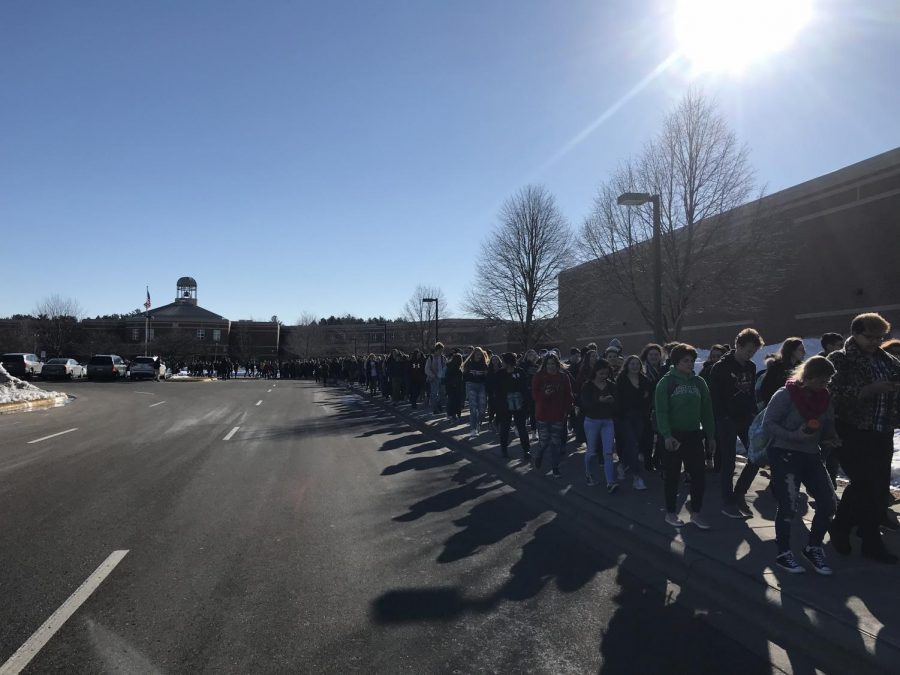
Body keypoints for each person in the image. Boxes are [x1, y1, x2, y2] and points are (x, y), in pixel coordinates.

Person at [827, 313, 900, 563]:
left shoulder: (889, 361)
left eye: (880, 337)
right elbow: (830, 394)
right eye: (870, 337)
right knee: (864, 484)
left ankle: (843, 526)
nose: (875, 342)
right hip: (851, 431)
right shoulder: (840, 359)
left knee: (876, 488)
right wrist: (867, 390)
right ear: (855, 333)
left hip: (882, 431)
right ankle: (870, 540)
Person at [763, 356, 840, 574]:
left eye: (827, 382)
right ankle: (783, 552)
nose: (824, 385)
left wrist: (831, 437)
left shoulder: (824, 398)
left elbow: (828, 424)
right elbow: (769, 424)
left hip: (811, 455)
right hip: (784, 454)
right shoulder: (786, 394)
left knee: (828, 502)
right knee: (788, 504)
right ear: (807, 377)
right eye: (821, 381)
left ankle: (813, 546)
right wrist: (793, 434)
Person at [655, 343, 715, 529]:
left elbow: (707, 411)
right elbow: (661, 412)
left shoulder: (699, 383)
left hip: (694, 435)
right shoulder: (666, 382)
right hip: (674, 436)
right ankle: (670, 513)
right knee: (673, 476)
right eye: (685, 361)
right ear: (676, 362)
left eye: (692, 360)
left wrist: (711, 436)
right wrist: (666, 435)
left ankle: (696, 513)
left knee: (698, 476)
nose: (690, 364)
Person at [711, 328, 765, 519]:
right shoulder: (720, 367)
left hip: (745, 417)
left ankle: (740, 492)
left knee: (756, 456)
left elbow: (750, 393)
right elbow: (715, 397)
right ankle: (728, 501)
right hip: (726, 419)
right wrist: (723, 417)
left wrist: (753, 413)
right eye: (749, 350)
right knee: (728, 461)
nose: (751, 355)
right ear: (738, 346)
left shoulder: (750, 367)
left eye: (754, 352)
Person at [530, 353, 573, 478]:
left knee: (556, 442)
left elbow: (568, 394)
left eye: (553, 364)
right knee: (544, 441)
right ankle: (539, 455)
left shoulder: (563, 377)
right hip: (543, 414)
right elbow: (535, 395)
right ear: (544, 364)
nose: (551, 366)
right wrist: (545, 394)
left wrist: (568, 409)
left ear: (557, 364)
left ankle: (555, 467)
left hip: (558, 414)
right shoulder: (539, 377)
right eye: (548, 363)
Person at [581, 359, 619, 491]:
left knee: (608, 452)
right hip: (592, 421)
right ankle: (588, 474)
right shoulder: (588, 386)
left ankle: (610, 482)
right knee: (591, 451)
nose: (604, 376)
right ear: (595, 372)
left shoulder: (611, 385)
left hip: (607, 421)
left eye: (606, 374)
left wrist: (612, 401)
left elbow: (617, 403)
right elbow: (585, 404)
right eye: (601, 373)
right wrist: (599, 400)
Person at [615, 355, 651, 491]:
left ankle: (622, 464)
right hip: (624, 417)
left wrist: (642, 401)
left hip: (639, 416)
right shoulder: (621, 380)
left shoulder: (644, 380)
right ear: (627, 365)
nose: (635, 366)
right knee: (633, 445)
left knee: (634, 443)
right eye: (632, 364)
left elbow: (646, 400)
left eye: (637, 364)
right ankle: (637, 478)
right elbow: (620, 400)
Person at [494, 352, 531, 460]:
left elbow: (525, 388)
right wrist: (500, 406)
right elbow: (497, 390)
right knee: (505, 428)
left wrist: (526, 403)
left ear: (508, 362)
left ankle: (526, 450)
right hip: (505, 405)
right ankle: (504, 449)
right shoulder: (500, 374)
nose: (502, 363)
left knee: (521, 427)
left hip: (519, 404)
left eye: (503, 361)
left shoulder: (520, 372)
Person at [757, 337, 806, 408]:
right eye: (800, 349)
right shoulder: (777, 368)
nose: (804, 352)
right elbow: (766, 391)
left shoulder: (801, 368)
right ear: (792, 351)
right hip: (778, 406)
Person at [463, 347, 489, 439]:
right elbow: (465, 376)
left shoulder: (484, 365)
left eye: (480, 354)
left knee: (482, 409)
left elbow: (486, 378)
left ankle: (478, 424)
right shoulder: (469, 364)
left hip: (481, 386)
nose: (479, 355)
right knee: (473, 409)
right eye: (477, 354)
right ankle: (473, 429)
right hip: (471, 385)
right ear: (473, 355)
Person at [425, 343, 447, 414]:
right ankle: (434, 408)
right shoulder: (431, 358)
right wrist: (432, 375)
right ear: (436, 350)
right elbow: (427, 369)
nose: (441, 352)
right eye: (440, 350)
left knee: (442, 393)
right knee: (434, 394)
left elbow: (446, 367)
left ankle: (439, 405)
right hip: (434, 378)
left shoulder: (443, 357)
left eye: (442, 350)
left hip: (442, 378)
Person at [444, 352, 465, 422]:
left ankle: (452, 414)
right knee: (457, 401)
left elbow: (447, 377)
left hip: (450, 386)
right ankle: (456, 415)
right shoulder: (457, 368)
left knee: (451, 400)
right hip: (456, 386)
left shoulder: (449, 366)